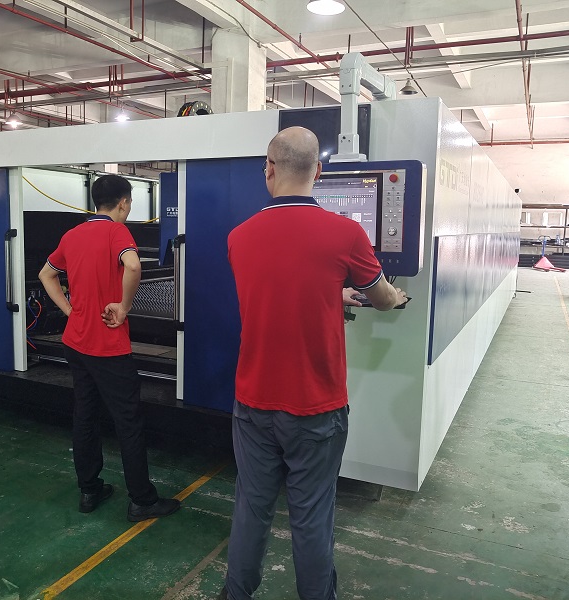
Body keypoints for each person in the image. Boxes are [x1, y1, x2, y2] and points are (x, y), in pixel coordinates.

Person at [221, 127, 407, 600]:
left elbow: (277, 290)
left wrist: (329, 294)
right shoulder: (347, 234)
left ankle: (236, 593)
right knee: (311, 517)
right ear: (318, 172)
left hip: (253, 401)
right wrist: (394, 297)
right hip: (316, 407)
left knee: (251, 508)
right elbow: (382, 297)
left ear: (268, 169)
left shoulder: (239, 237)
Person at [39, 174, 180, 522]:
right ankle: (142, 500)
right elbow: (133, 265)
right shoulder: (117, 232)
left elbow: (46, 274)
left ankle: (89, 490)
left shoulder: (72, 235)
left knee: (85, 415)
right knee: (127, 421)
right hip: (108, 346)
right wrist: (124, 306)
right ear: (124, 202)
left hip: (76, 342)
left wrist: (69, 310)